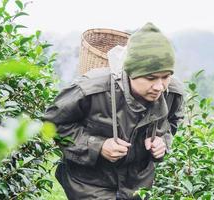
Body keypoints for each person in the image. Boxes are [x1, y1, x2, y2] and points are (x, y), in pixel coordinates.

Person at [43, 22, 184, 200]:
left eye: (166, 77)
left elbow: (173, 121)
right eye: (150, 78)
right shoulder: (91, 89)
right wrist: (98, 146)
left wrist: (162, 140)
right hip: (88, 184)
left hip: (137, 186)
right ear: (131, 72)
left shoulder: (173, 93)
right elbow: (53, 123)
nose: (159, 86)